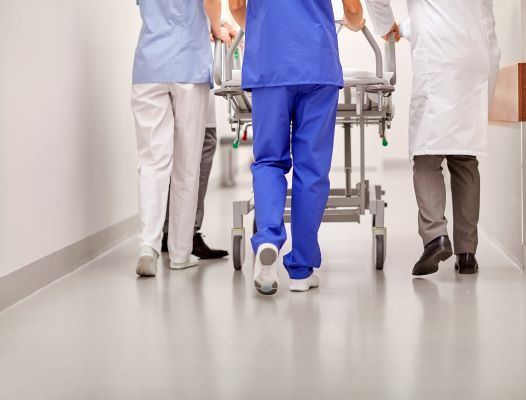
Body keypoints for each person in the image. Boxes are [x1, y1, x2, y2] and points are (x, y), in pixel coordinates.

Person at [229, 0, 365, 295]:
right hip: (318, 65)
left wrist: (265, 29)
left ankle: (267, 238)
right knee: (312, 169)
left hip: (270, 65)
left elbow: (237, 5)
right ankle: (301, 270)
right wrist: (356, 23)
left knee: (268, 161)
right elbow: (353, 11)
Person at [365, 0, 501, 275]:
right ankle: (466, 255)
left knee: (427, 155)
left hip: (438, 59)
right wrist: (402, 27)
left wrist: (385, 26)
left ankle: (436, 236)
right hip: (475, 57)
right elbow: (469, 17)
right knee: (465, 156)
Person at [132, 0, 231, 277]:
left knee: (152, 163)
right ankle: (179, 253)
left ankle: (147, 246)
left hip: (149, 65)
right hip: (188, 64)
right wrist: (214, 26)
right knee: (187, 165)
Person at [161, 22, 240, 261]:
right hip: (189, 66)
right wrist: (217, 27)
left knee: (174, 149)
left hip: (164, 62)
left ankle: (170, 231)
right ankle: (185, 233)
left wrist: (217, 25)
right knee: (202, 143)